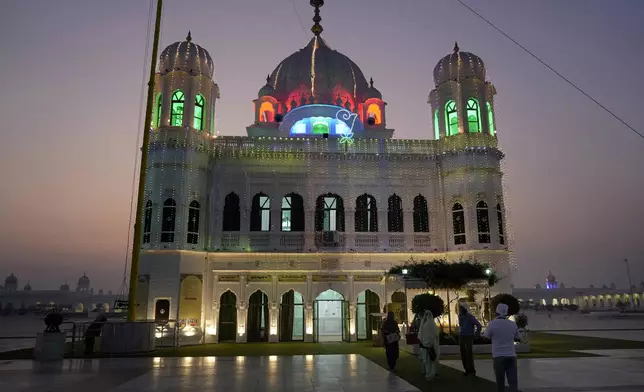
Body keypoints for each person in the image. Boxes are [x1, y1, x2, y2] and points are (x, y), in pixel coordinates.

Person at [483, 303, 521, 392]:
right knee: (513, 381)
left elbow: (485, 338)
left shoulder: (492, 324)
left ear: (496, 312)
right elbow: (518, 338)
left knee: (500, 382)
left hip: (498, 356)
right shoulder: (512, 324)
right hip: (511, 355)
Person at [458, 302, 482, 376]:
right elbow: (461, 326)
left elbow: (479, 325)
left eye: (461, 308)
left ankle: (471, 370)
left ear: (464, 309)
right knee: (463, 353)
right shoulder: (460, 316)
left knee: (469, 353)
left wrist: (476, 334)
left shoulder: (470, 317)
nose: (459, 310)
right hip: (462, 336)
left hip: (468, 337)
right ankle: (467, 370)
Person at [417, 310, 439, 380]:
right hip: (431, 345)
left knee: (426, 360)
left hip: (425, 345)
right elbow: (435, 335)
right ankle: (431, 374)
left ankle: (428, 374)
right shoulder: (431, 324)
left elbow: (420, 335)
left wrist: (424, 342)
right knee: (432, 360)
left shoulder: (424, 324)